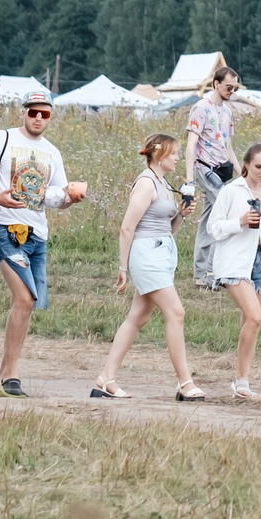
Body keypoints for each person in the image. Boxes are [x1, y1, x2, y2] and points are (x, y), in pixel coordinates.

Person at [0, 86, 88, 399]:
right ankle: (11, 375)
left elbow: (57, 197)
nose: (38, 118)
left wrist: (72, 197)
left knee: (26, 304)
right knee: (24, 297)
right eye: (33, 112)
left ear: (50, 117)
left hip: (37, 233)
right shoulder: (2, 139)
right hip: (6, 227)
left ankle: (2, 379)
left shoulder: (53, 153)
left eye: (44, 114)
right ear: (23, 112)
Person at [94, 132, 207, 401]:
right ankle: (185, 382)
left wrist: (181, 215)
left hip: (161, 252)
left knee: (138, 317)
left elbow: (165, 228)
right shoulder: (146, 183)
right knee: (176, 312)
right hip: (146, 255)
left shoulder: (163, 183)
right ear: (159, 154)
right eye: (174, 153)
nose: (178, 158)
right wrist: (123, 268)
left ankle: (106, 378)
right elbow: (127, 227)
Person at [200, 143, 261, 400]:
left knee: (251, 322)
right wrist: (240, 222)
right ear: (246, 164)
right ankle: (240, 381)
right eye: (258, 166)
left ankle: (242, 380)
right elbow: (213, 227)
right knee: (255, 317)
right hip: (234, 261)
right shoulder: (231, 191)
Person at [183, 65, 244, 286]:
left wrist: (242, 174)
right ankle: (214, 271)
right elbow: (191, 144)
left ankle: (201, 273)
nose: (231, 91)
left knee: (209, 220)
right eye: (228, 87)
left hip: (221, 169)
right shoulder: (201, 109)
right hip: (205, 167)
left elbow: (228, 146)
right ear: (216, 84)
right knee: (225, 213)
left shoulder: (227, 111)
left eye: (235, 88)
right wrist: (189, 180)